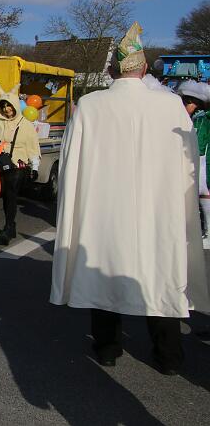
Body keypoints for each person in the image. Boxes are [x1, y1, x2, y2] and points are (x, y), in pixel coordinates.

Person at [50, 22, 210, 374]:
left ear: (111, 69)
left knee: (104, 271)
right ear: (145, 68)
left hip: (104, 211)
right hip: (157, 211)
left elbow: (70, 166)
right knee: (159, 275)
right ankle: (168, 357)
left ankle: (108, 349)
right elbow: (187, 167)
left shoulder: (90, 106)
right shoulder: (170, 106)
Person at [0, 82, 40, 245]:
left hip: (19, 165)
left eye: (10, 106)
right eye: (4, 107)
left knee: (11, 193)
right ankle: (11, 225)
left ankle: (7, 228)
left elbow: (33, 146)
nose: (7, 110)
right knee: (6, 195)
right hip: (2, 163)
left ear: (15, 106)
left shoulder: (26, 125)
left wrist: (35, 167)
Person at [176, 80, 210, 242]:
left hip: (200, 158)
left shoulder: (203, 119)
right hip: (188, 157)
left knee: (202, 190)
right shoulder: (183, 117)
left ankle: (207, 229)